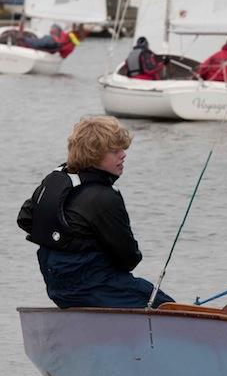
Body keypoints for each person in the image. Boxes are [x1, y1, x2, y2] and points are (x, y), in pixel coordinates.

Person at [17, 116, 174, 309]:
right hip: (95, 286)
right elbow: (129, 259)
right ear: (94, 155)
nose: (123, 155)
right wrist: (77, 242)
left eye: (123, 149)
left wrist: (65, 239)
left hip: (58, 289)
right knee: (164, 304)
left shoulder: (55, 180)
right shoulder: (104, 197)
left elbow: (25, 219)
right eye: (115, 151)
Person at [19, 24, 83, 58]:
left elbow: (73, 42)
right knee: (42, 40)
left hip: (54, 44)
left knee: (40, 41)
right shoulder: (72, 40)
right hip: (55, 45)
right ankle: (24, 39)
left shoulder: (71, 36)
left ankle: (23, 39)